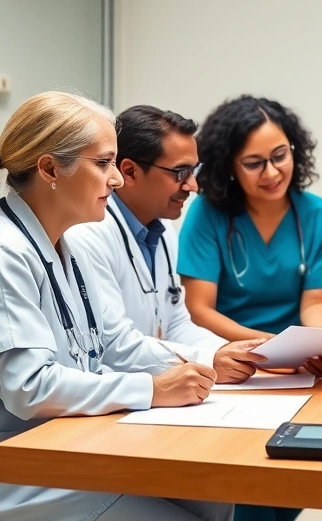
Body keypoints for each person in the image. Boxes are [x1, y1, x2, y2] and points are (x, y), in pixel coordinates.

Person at [0, 91, 232, 521]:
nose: (116, 177)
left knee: (212, 499)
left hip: (64, 449)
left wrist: (205, 368)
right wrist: (152, 391)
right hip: (1, 476)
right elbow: (32, 388)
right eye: (105, 162)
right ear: (50, 169)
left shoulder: (65, 245)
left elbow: (114, 344)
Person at [177, 95, 322, 521]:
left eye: (281, 155)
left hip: (298, 369)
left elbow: (316, 303)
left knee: (299, 481)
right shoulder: (208, 216)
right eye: (254, 163)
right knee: (249, 483)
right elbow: (200, 308)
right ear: (230, 167)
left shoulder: (317, 216)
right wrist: (267, 347)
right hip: (237, 367)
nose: (272, 172)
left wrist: (318, 344)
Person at [67, 104, 269, 382]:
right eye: (179, 173)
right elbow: (114, 345)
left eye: (194, 171)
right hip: (114, 394)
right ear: (130, 172)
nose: (193, 186)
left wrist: (230, 352)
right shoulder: (88, 235)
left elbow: (175, 324)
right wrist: (210, 361)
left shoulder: (165, 232)